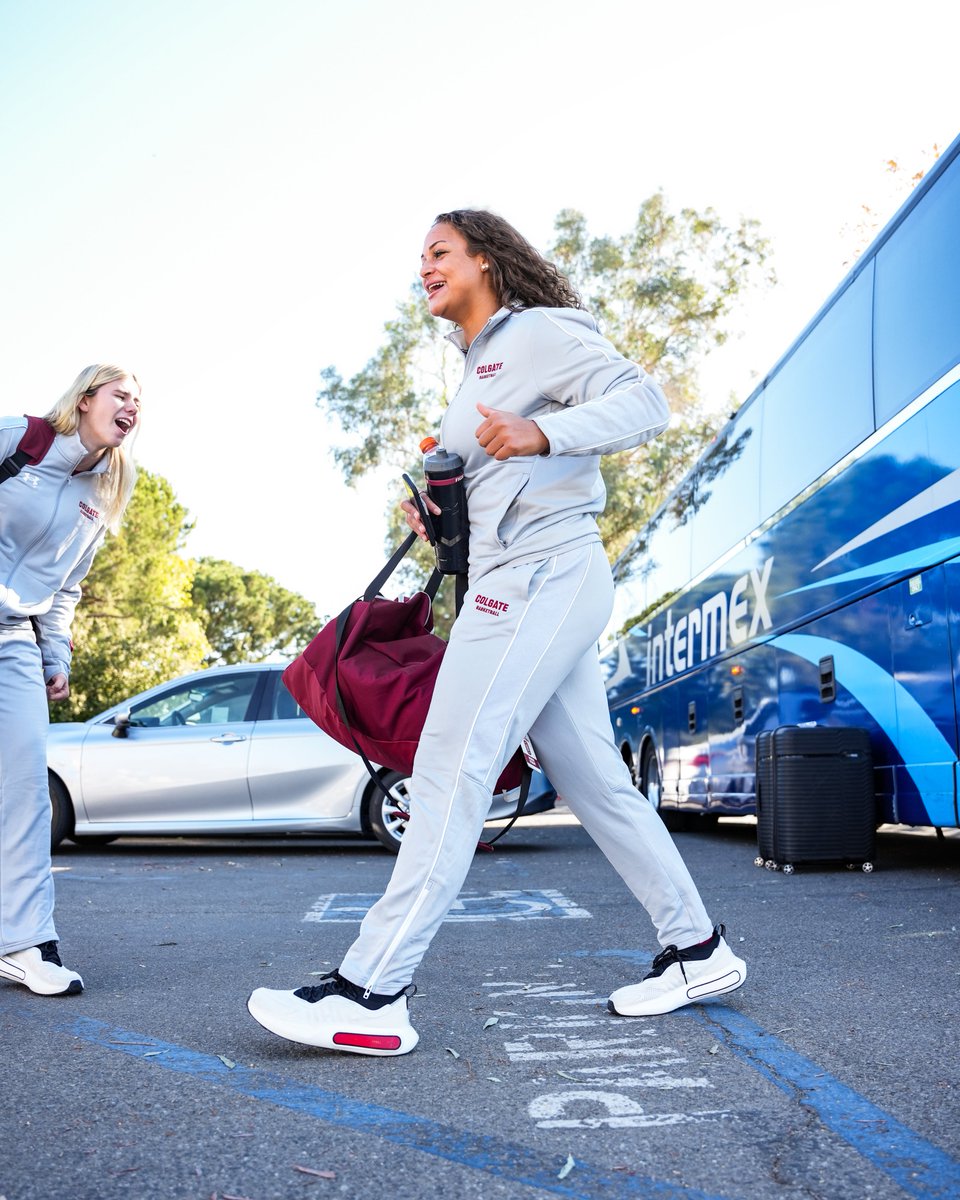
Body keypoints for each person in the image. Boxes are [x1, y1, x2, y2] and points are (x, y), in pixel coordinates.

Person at [248, 211, 746, 1055]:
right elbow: (495, 475)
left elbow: (646, 402)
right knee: (596, 782)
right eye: (420, 257)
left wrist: (542, 430)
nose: (424, 268)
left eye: (439, 252)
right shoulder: (475, 365)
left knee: (450, 766)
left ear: (485, 258)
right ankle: (696, 947)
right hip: (525, 574)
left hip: (542, 574)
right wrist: (443, 510)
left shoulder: (541, 333)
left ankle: (373, 992)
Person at [0, 365, 141, 996]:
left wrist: (55, 655)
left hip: (12, 644)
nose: (133, 406)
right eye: (121, 394)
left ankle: (24, 943)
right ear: (85, 400)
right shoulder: (19, 439)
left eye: (139, 400)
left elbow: (66, 589)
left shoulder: (104, 494)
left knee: (25, 794)